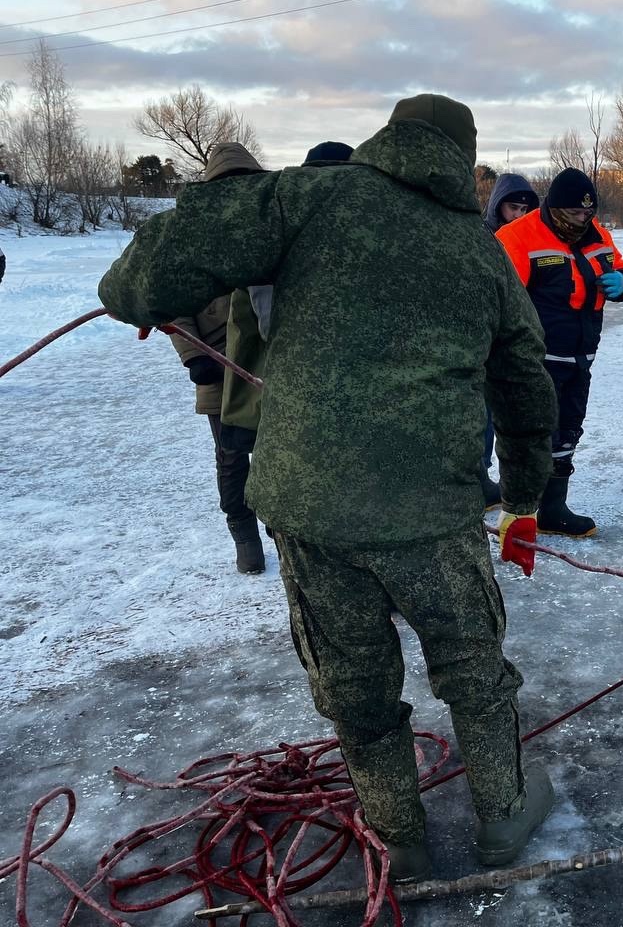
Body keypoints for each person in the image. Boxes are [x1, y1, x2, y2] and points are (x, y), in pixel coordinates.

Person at [98, 93, 559, 881]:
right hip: (430, 513)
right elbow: (525, 392)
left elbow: (159, 262)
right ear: (461, 159)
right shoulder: (478, 249)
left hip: (310, 509)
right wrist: (521, 501)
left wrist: (144, 295)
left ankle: (398, 836)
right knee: (475, 672)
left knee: (355, 686)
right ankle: (503, 814)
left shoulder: (307, 197)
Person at [496, 167, 623, 537]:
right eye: (574, 213)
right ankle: (519, 512)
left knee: (568, 430)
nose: (582, 219)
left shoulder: (596, 233)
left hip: (581, 355)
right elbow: (501, 302)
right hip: (534, 361)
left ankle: (553, 508)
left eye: (588, 212)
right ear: (555, 209)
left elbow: (622, 266)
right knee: (529, 434)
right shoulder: (518, 237)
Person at [167, 142, 267, 574]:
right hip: (217, 367)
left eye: (244, 182)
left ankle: (284, 529)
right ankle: (243, 533)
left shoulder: (272, 230)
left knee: (277, 452)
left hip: (267, 363)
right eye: (227, 183)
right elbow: (173, 303)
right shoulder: (191, 241)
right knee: (230, 455)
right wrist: (194, 355)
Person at [218, 141, 355, 455]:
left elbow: (252, 328)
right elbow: (255, 327)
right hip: (302, 405)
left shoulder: (274, 236)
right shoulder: (274, 240)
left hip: (300, 405)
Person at [479, 174, 541, 509]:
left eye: (524, 209)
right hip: (483, 338)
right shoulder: (481, 236)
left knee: (507, 413)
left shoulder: (531, 240)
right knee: (480, 413)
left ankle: (488, 475)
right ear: (497, 205)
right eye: (512, 207)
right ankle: (476, 476)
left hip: (514, 338)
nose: (518, 215)